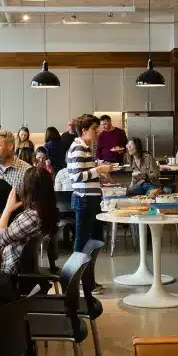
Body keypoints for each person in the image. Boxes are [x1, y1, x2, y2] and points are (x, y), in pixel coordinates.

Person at [69, 114, 112, 292]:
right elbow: (76, 176)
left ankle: (88, 281)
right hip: (84, 200)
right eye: (95, 128)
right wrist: (99, 169)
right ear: (85, 130)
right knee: (83, 243)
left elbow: (84, 174)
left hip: (89, 199)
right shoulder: (78, 147)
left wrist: (99, 176)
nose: (98, 131)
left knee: (92, 242)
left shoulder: (85, 147)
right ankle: (79, 281)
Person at [0, 170, 58, 281]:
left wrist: (7, 210)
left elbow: (0, 239)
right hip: (17, 270)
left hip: (8, 272)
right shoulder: (45, 211)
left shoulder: (32, 216)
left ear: (28, 189)